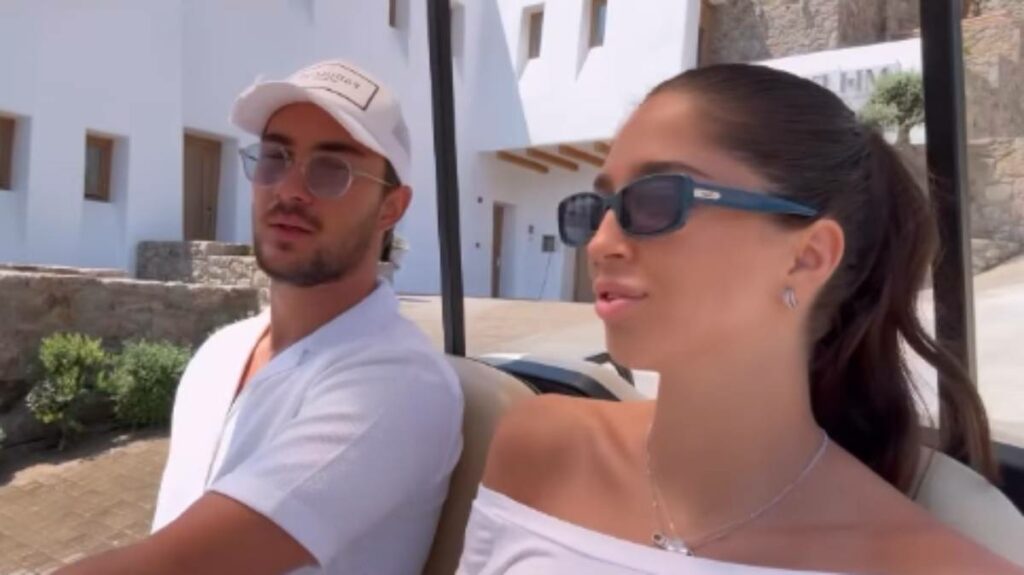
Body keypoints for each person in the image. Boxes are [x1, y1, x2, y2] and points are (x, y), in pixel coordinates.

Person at [458, 64, 1022, 574]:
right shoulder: (540, 446)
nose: (601, 242)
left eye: (657, 200)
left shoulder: (936, 564)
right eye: (597, 208)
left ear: (806, 257)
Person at [60, 60, 463, 575]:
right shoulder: (221, 350)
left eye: (331, 169)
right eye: (275, 158)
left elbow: (173, 567)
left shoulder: (401, 385)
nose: (289, 189)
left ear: (391, 208)